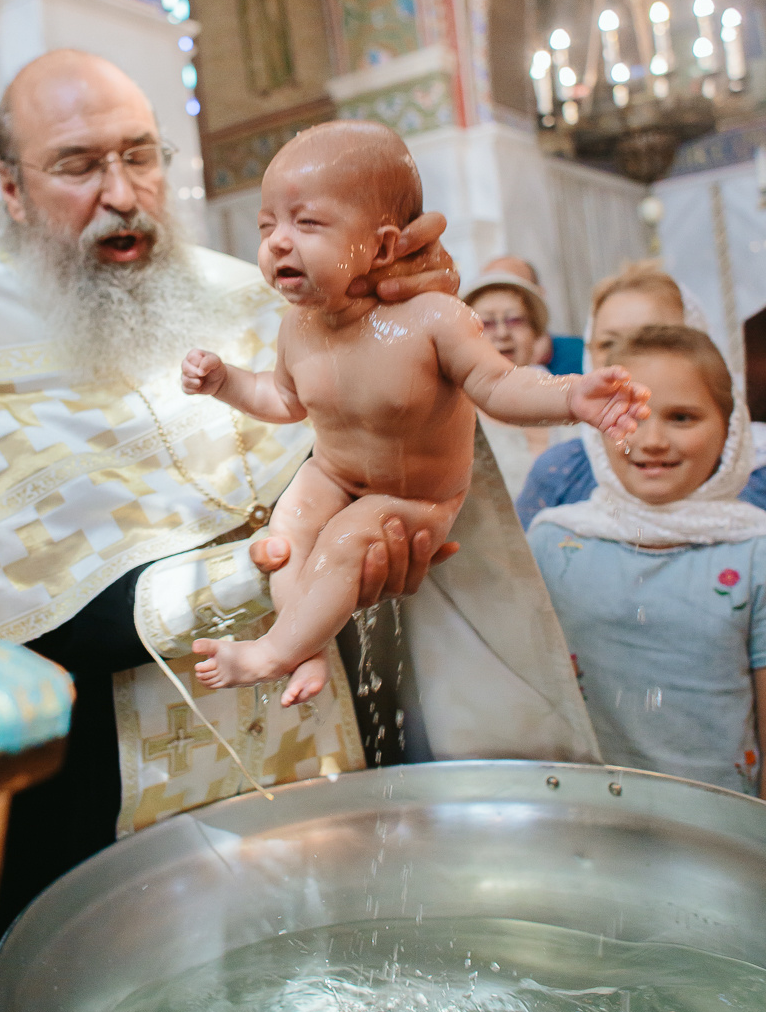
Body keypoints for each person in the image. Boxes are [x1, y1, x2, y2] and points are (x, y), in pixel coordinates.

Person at [0, 51, 602, 1012]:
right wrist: (261, 583)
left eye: (139, 156)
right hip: (94, 819)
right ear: (11, 189)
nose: (120, 195)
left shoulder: (244, 294)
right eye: (77, 165)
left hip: (315, 764)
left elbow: (389, 445)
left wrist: (408, 326)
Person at [183, 123, 649, 703]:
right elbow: (282, 400)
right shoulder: (296, 328)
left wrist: (570, 396)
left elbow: (499, 384)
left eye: (306, 223)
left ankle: (276, 651)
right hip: (332, 474)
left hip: (418, 497)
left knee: (352, 536)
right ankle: (302, 648)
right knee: (290, 527)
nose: (278, 241)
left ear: (381, 247)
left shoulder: (432, 317)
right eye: (266, 224)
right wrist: (226, 382)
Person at [528, 324, 766, 796]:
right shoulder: (553, 542)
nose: (653, 439)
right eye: (631, 415)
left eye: (682, 417)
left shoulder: (755, 553)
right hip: (586, 822)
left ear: (731, 429)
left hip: (721, 831)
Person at [517, 260, 766, 528]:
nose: (623, 361)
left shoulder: (756, 476)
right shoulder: (561, 472)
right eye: (608, 343)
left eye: (650, 338)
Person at [463, 260, 574, 499]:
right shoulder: (455, 416)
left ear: (535, 332)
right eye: (487, 323)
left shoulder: (568, 395)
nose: (502, 333)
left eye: (515, 320)